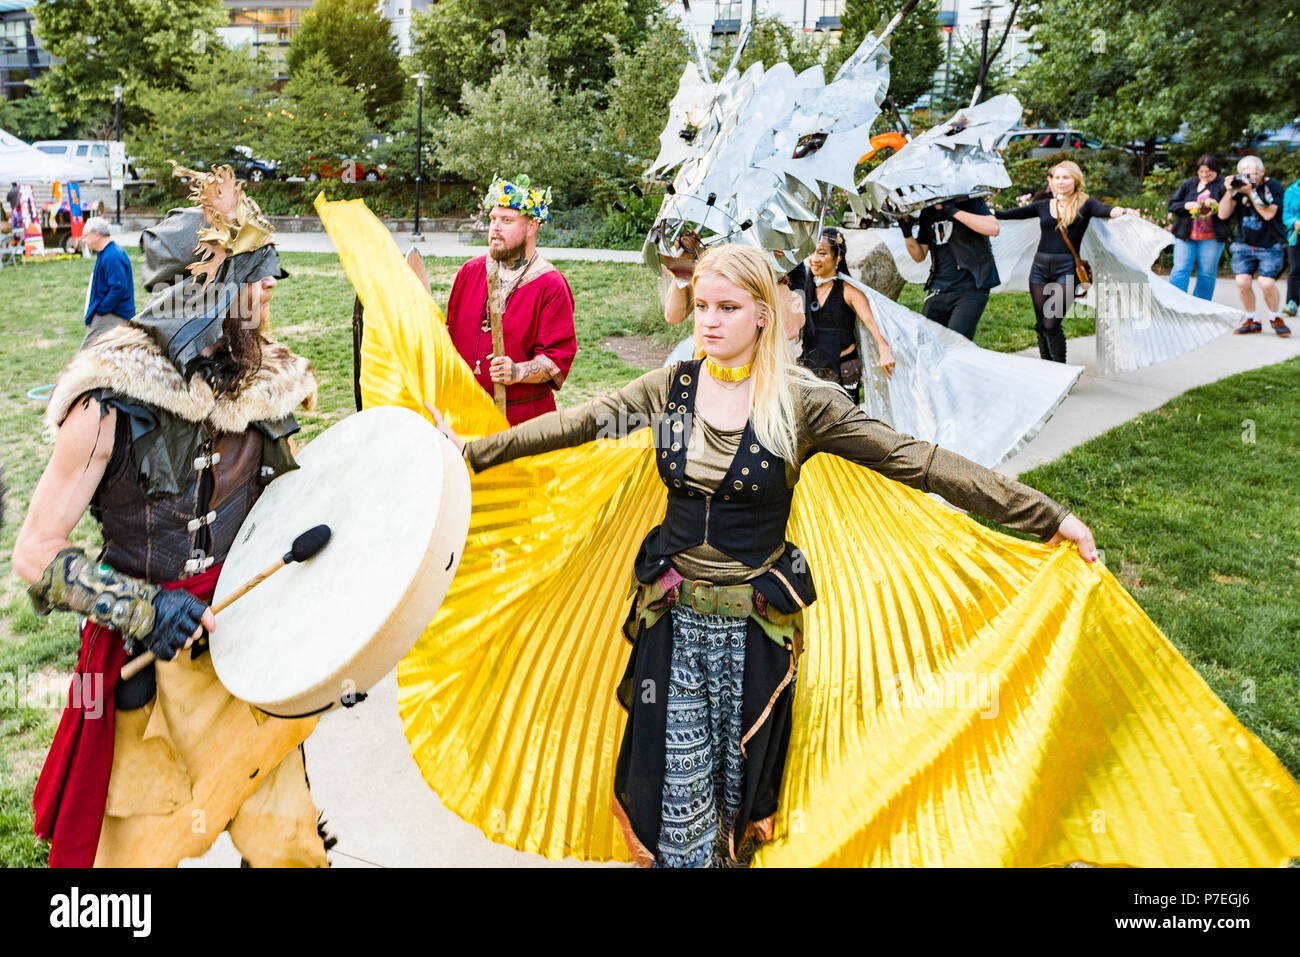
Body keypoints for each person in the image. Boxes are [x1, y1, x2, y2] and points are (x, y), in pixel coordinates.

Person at [427, 243, 1096, 868]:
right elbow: (580, 421)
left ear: (763, 314)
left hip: (758, 636)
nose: (709, 321)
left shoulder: (803, 405)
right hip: (674, 628)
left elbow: (914, 460)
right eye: (703, 307)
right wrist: (473, 451)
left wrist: (1048, 515)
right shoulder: (672, 388)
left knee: (742, 806)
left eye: (728, 308)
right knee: (680, 801)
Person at [12, 163, 330, 868]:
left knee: (287, 841)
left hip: (244, 650)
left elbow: (294, 510)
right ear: (208, 288)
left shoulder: (267, 385)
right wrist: (144, 607)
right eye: (255, 270)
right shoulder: (107, 401)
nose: (271, 285)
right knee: (133, 854)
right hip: (143, 664)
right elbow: (34, 553)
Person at [444, 175, 577, 424]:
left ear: (531, 226)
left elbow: (555, 359)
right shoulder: (470, 272)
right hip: (464, 416)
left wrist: (517, 371)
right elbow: (447, 335)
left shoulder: (550, 284)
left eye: (507, 220)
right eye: (493, 219)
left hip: (522, 421)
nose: (495, 227)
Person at [994, 160, 1138, 362]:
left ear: (1075, 180)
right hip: (1039, 269)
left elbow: (1106, 210)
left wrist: (1124, 211)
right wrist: (984, 212)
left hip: (1067, 269)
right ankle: (1048, 368)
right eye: (1057, 177)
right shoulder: (1044, 205)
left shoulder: (1085, 204)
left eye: (1066, 177)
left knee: (1051, 323)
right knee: (1041, 323)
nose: (1061, 182)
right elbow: (1007, 215)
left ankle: (1059, 370)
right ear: (1052, 181)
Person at [799, 228, 894, 399]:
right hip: (812, 369)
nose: (814, 259)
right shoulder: (805, 290)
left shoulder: (849, 291)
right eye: (811, 253)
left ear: (838, 257)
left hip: (843, 369)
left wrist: (884, 348)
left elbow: (871, 322)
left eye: (822, 253)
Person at [900, 196, 1002, 340]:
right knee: (928, 343)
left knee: (956, 344)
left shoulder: (970, 201)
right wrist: (907, 232)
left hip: (971, 286)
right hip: (939, 287)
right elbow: (919, 256)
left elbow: (993, 228)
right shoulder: (928, 212)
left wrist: (952, 210)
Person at [1217, 155, 1289, 336]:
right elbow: (1223, 214)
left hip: (1269, 244)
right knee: (1242, 281)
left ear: (1263, 172)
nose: (1250, 178)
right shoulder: (1236, 189)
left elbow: (1268, 215)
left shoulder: (1273, 187)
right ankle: (1252, 319)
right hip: (1243, 243)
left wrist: (1250, 193)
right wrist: (1229, 190)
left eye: (1254, 174)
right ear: (1239, 174)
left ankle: (1275, 317)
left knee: (1266, 283)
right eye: (1245, 174)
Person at [1167, 155, 1231, 301]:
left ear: (1216, 171)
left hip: (1212, 237)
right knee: (1180, 269)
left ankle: (1201, 304)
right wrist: (1186, 205)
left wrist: (1215, 204)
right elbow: (1172, 204)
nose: (1204, 176)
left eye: (1208, 173)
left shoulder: (1222, 185)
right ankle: (1173, 302)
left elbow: (1229, 210)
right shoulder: (1189, 184)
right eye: (1201, 172)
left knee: (1207, 273)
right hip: (1186, 235)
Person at [79, 216, 135, 348]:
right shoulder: (107, 253)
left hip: (112, 316)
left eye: (85, 236)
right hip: (109, 314)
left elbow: (118, 288)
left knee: (87, 356)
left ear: (97, 235)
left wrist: (102, 309)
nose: (83, 240)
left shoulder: (112, 256)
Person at [1280, 174, 1300, 317]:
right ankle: (1292, 301)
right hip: (1295, 237)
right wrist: (1294, 222)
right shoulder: (1292, 190)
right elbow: (1285, 214)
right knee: (1296, 269)